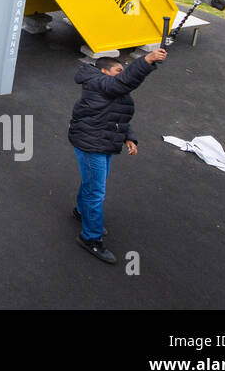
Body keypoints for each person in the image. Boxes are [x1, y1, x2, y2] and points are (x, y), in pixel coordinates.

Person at [68, 47, 168, 264]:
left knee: (93, 184)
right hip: (92, 143)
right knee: (96, 191)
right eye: (118, 69)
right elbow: (123, 82)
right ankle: (90, 238)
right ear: (105, 71)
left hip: (103, 141)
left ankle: (81, 212)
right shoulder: (98, 84)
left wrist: (128, 137)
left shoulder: (112, 90)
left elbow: (117, 116)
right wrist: (147, 60)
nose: (122, 73)